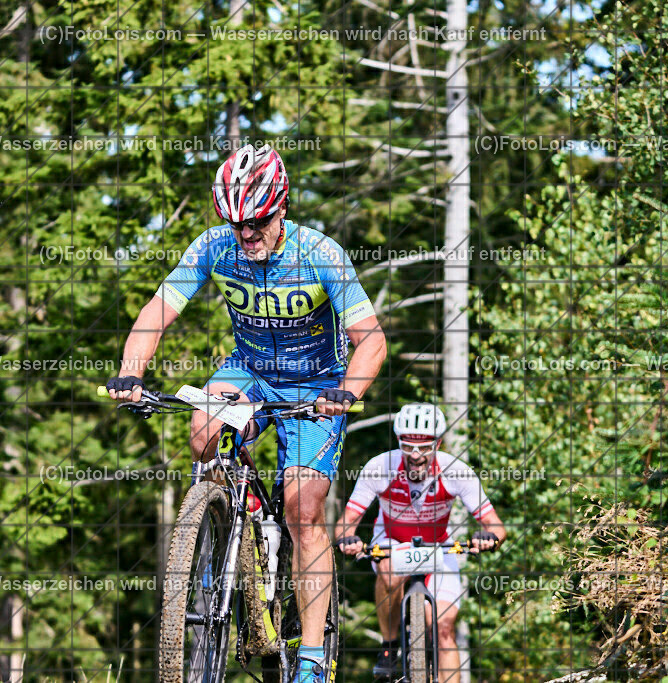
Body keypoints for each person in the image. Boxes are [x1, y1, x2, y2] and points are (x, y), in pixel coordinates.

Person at [108, 143, 387, 683]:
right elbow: (157, 311)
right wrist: (132, 372)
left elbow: (371, 341)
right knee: (203, 432)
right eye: (234, 223)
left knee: (304, 509)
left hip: (318, 385)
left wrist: (347, 393)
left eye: (256, 222)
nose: (246, 235)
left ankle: (309, 656)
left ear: (280, 208)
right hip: (251, 372)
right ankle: (228, 526)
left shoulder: (321, 253)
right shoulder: (215, 246)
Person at [335, 403, 506, 683]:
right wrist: (348, 539)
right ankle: (389, 647)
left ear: (438, 443)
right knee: (389, 574)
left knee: (444, 628)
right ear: (398, 441)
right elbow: (346, 522)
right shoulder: (380, 467)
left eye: (425, 448)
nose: (416, 456)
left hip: (439, 546)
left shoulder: (456, 471)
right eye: (408, 446)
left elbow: (496, 527)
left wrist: (487, 538)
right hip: (391, 541)